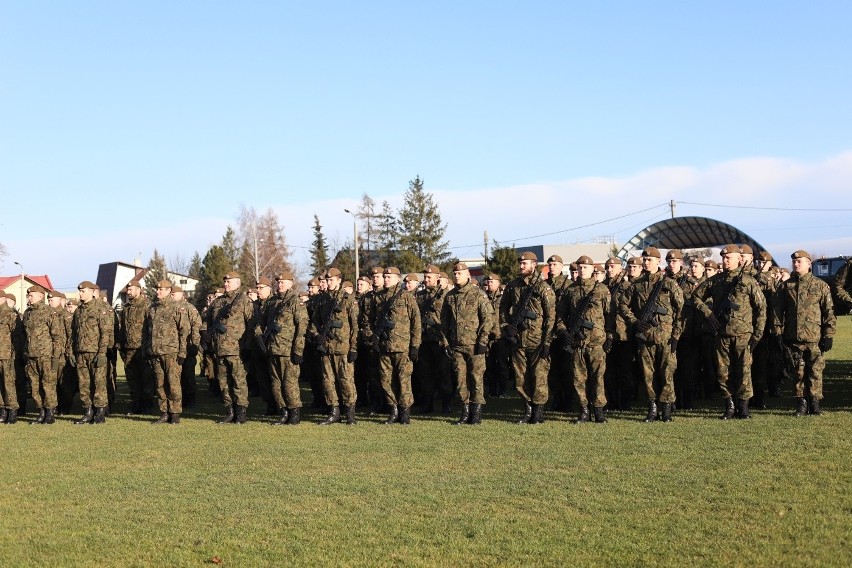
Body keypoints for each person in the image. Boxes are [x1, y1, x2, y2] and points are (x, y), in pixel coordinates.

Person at [692, 245, 766, 419]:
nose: (725, 261)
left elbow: (761, 308)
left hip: (743, 334)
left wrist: (757, 335)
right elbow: (695, 297)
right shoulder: (715, 281)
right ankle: (729, 405)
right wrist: (708, 314)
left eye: (729, 258)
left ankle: (743, 406)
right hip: (721, 333)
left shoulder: (747, 281)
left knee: (743, 371)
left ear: (739, 258)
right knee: (723, 372)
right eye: (723, 258)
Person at [618, 247, 685, 422]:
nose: (646, 263)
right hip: (645, 337)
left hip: (666, 337)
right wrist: (634, 322)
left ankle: (667, 408)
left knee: (667, 374)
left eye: (649, 260)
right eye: (644, 260)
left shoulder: (669, 283)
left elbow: (681, 311)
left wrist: (676, 335)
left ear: (658, 261)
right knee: (648, 375)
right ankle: (652, 408)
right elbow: (623, 305)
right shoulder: (636, 284)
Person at [772, 250, 836, 416]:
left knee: (815, 371)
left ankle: (814, 404)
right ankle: (801, 404)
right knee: (798, 371)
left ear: (809, 263)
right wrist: (778, 332)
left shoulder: (820, 285)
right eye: (794, 261)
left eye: (800, 261)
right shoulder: (787, 286)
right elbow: (778, 312)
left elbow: (828, 312)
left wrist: (828, 335)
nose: (796, 264)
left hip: (815, 337)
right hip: (793, 337)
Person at [499, 252, 556, 424]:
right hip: (518, 340)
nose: (521, 266)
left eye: (525, 263)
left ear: (534, 264)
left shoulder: (542, 287)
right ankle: (527, 410)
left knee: (539, 378)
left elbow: (550, 317)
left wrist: (547, 342)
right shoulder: (513, 285)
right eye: (520, 263)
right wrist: (506, 327)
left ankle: (538, 413)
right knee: (520, 378)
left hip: (537, 340)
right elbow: (502, 309)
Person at [556, 256, 613, 423]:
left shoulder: (601, 290)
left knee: (598, 377)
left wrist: (609, 336)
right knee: (579, 378)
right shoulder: (570, 290)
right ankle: (583, 410)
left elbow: (610, 315)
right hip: (577, 342)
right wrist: (564, 332)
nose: (582, 271)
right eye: (580, 268)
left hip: (596, 341)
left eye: (585, 268)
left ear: (592, 270)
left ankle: (599, 410)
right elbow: (560, 315)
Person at [440, 262, 493, 425]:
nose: (456, 275)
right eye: (454, 273)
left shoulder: (478, 294)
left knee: (476, 379)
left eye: (460, 273)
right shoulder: (450, 296)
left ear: (467, 274)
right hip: (457, 346)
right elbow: (444, 322)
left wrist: (483, 340)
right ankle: (465, 412)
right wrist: (446, 343)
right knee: (460, 380)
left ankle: (476, 413)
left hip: (474, 345)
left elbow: (488, 319)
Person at [309, 268, 359, 425]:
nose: (329, 283)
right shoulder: (322, 300)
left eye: (332, 280)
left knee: (346, 381)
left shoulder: (347, 299)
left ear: (339, 280)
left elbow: (355, 326)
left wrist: (354, 347)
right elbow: (314, 323)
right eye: (327, 280)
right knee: (327, 381)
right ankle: (334, 411)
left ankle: (350, 413)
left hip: (343, 347)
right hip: (326, 348)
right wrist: (318, 337)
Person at [374, 267, 421, 425]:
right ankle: (393, 410)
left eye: (389, 277)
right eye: (385, 276)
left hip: (402, 346)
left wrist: (415, 346)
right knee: (386, 380)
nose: (386, 279)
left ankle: (405, 412)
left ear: (397, 279)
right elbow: (369, 319)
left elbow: (416, 322)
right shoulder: (378, 297)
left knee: (404, 380)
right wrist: (373, 338)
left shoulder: (406, 296)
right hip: (384, 346)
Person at [209, 272, 255, 424]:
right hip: (220, 349)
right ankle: (229, 411)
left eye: (230, 282)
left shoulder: (243, 301)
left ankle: (241, 412)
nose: (226, 284)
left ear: (238, 283)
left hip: (237, 349)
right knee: (223, 382)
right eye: (225, 281)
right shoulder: (217, 302)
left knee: (238, 381)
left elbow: (251, 324)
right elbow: (207, 322)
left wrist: (248, 346)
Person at [144, 280, 190, 424]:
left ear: (169, 291)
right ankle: (164, 412)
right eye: (157, 289)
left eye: (161, 289)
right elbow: (146, 332)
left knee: (173, 383)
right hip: (155, 352)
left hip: (172, 352)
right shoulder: (151, 309)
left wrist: (182, 351)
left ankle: (175, 412)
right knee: (159, 383)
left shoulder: (177, 308)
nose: (158, 292)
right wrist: (146, 350)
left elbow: (184, 330)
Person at [265, 272, 307, 425]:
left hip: (288, 350)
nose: (280, 284)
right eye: (278, 282)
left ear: (291, 283)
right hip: (273, 348)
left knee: (289, 383)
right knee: (276, 383)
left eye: (283, 282)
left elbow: (301, 328)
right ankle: (283, 411)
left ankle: (294, 412)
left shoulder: (295, 302)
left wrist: (298, 350)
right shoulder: (273, 302)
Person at [21, 285, 65, 425]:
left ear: (40, 296)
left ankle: (50, 413)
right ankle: (41, 412)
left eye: (31, 295)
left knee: (48, 385)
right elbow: (23, 335)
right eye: (28, 295)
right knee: (35, 387)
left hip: (46, 356)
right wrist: (25, 352)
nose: (29, 297)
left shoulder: (49, 312)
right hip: (31, 356)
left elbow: (58, 336)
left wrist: (56, 356)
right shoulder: (27, 313)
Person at [71, 280, 113, 425]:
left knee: (99, 383)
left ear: (91, 292)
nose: (80, 294)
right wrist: (72, 351)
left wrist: (102, 353)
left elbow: (105, 332)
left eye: (83, 291)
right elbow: (74, 333)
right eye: (80, 291)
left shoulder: (101, 308)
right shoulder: (78, 310)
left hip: (95, 351)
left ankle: (100, 412)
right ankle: (88, 411)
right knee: (84, 384)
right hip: (81, 352)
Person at [414, 264, 450, 414]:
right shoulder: (420, 296)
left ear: (437, 278)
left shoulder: (446, 295)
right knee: (425, 374)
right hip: (424, 339)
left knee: (443, 373)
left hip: (439, 340)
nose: (426, 280)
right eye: (425, 277)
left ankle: (446, 404)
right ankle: (427, 404)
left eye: (429, 277)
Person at [118, 279, 153, 414]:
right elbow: (122, 329)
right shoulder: (126, 308)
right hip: (129, 349)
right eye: (128, 289)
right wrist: (121, 347)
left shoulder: (147, 306)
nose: (129, 291)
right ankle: (135, 404)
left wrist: (149, 347)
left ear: (139, 290)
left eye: (131, 289)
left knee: (146, 379)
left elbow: (151, 328)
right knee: (132, 380)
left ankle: (147, 405)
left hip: (142, 349)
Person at [603, 257, 632, 411]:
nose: (610, 270)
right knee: (609, 372)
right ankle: (613, 401)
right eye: (607, 267)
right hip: (607, 334)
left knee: (625, 372)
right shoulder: (601, 287)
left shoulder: (627, 286)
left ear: (620, 268)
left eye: (613, 267)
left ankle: (625, 403)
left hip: (624, 335)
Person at [545, 254, 572, 413]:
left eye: (555, 264)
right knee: (552, 370)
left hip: (564, 332)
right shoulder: (542, 284)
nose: (552, 267)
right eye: (550, 264)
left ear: (562, 266)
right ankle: (556, 399)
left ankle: (567, 400)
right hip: (548, 333)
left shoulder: (569, 285)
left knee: (567, 369)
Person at [171, 285, 201, 409]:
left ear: (181, 294)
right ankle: (179, 399)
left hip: (188, 347)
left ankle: (190, 399)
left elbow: (196, 326)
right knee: (176, 376)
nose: (171, 295)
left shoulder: (189, 308)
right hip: (174, 348)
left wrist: (195, 344)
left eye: (174, 293)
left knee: (188, 375)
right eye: (170, 293)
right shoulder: (171, 308)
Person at [483, 273, 510, 398]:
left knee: (502, 365)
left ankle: (503, 390)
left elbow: (508, 315)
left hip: (501, 337)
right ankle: (492, 390)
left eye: (492, 282)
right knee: (489, 365)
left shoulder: (504, 298)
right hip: (488, 337)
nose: (489, 284)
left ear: (498, 283)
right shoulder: (483, 298)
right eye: (488, 282)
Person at [0, 292, 23, 424]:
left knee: (9, 384)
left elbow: (17, 336)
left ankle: (12, 410)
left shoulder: (10, 314)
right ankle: (2, 410)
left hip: (7, 354)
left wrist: (16, 354)